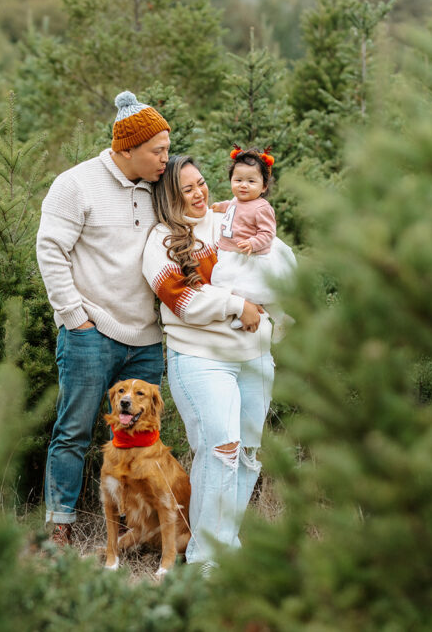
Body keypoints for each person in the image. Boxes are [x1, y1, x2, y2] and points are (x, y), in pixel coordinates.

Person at [36, 91, 171, 547]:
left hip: (146, 339)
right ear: (127, 148)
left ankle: (139, 532)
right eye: (158, 150)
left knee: (144, 437)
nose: (165, 160)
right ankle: (61, 527)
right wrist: (74, 317)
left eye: (168, 150)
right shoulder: (75, 184)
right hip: (91, 333)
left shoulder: (159, 188)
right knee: (74, 430)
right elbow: (50, 248)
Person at [141, 154, 275, 570]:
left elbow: (272, 259)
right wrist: (238, 305)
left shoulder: (228, 220)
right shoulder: (160, 241)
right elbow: (182, 300)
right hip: (201, 358)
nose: (200, 193)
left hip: (254, 357)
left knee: (248, 455)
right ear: (168, 196)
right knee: (221, 450)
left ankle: (220, 549)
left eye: (202, 183)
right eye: (187, 188)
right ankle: (206, 565)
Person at [210, 145, 296, 330]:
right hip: (231, 251)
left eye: (251, 181)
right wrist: (220, 206)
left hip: (250, 256)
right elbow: (233, 207)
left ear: (264, 186)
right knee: (230, 283)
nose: (243, 185)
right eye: (238, 179)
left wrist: (252, 243)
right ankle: (280, 319)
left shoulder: (261, 208)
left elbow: (267, 233)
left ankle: (253, 315)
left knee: (246, 287)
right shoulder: (236, 200)